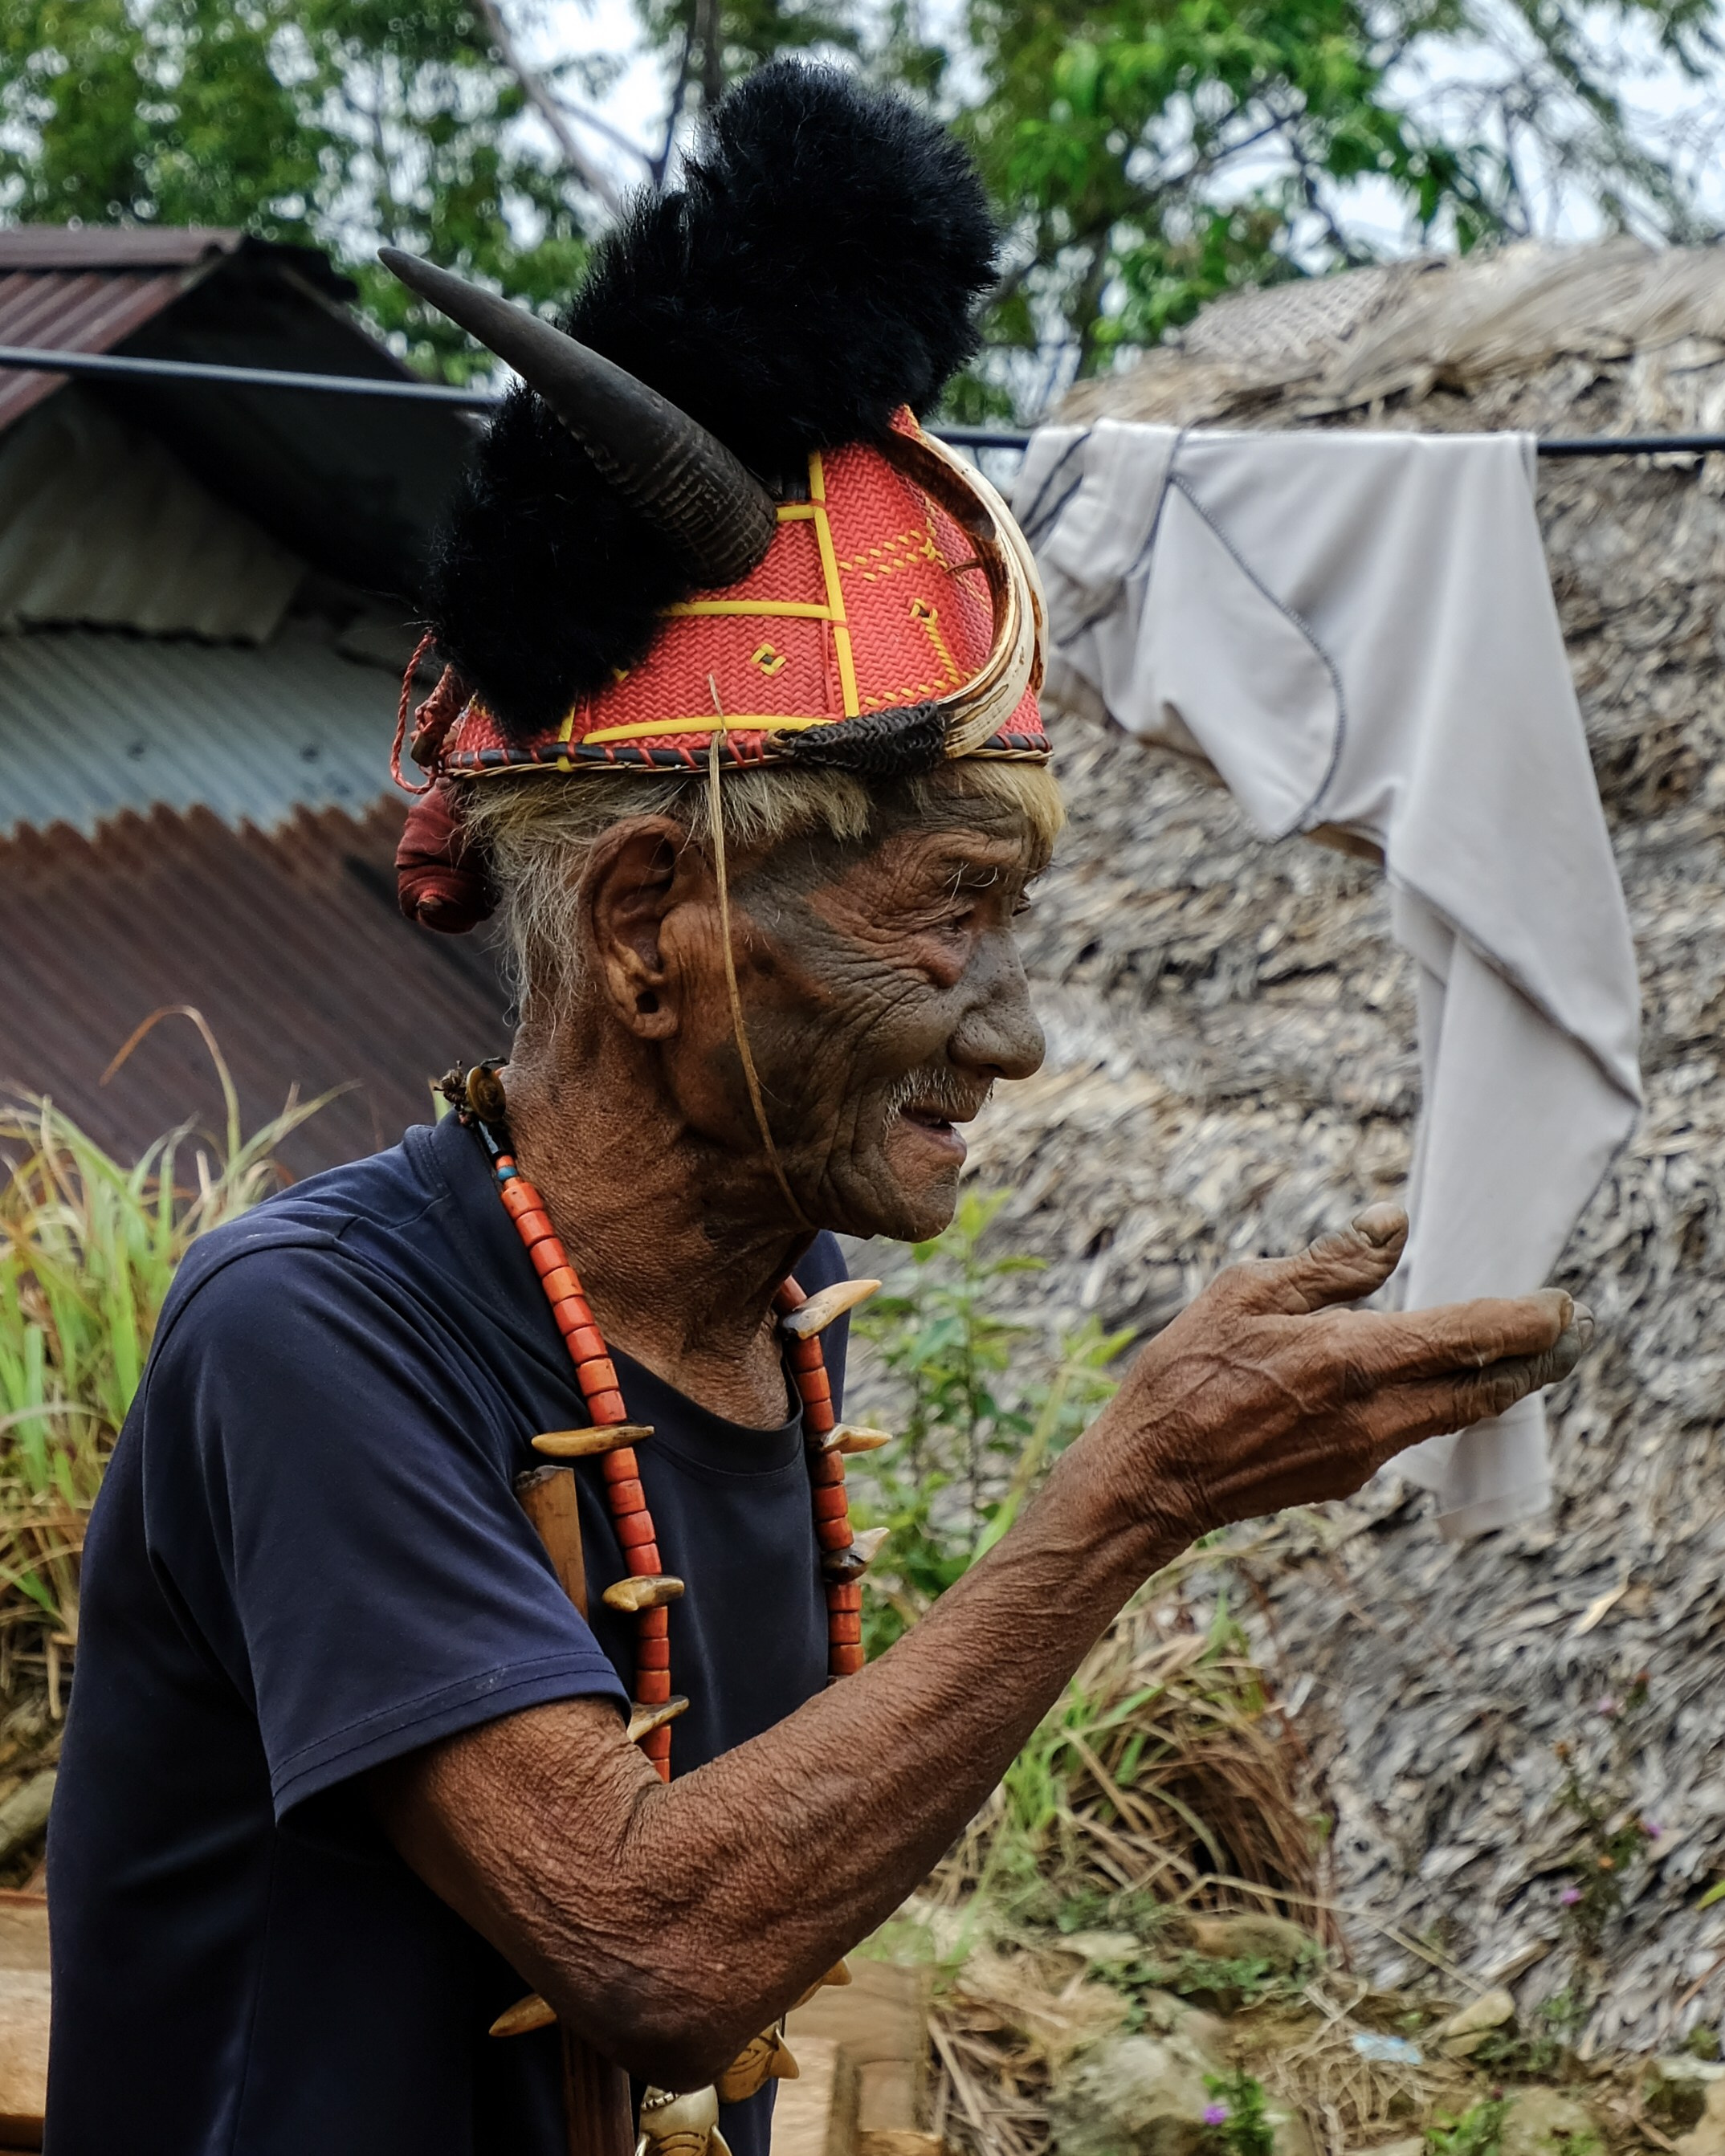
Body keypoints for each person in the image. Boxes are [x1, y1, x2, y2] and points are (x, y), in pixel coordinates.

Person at [44, 62, 1588, 2156]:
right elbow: (647, 1950)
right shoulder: (310, 1336)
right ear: (650, 923)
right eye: (944, 920)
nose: (1012, 1033)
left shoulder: (779, 1308)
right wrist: (1130, 1491)